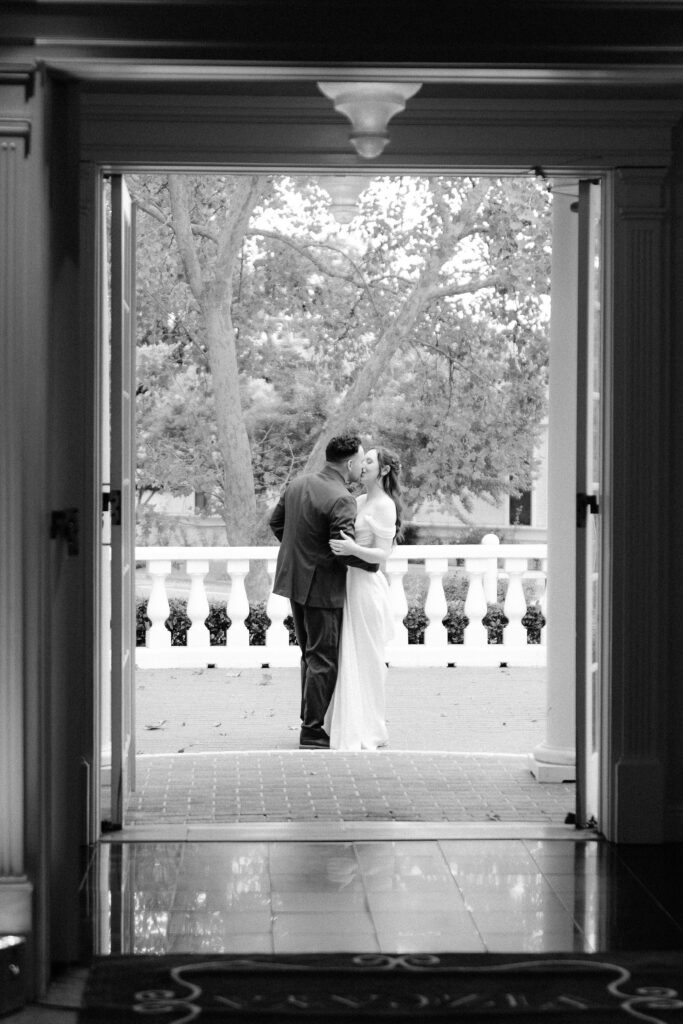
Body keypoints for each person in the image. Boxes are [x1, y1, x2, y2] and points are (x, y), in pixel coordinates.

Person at [269, 434, 380, 749]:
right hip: (322, 586)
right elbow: (342, 549)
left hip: (294, 580)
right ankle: (312, 730)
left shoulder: (297, 484)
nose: (362, 467)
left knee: (309, 654)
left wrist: (303, 551)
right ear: (349, 463)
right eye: (360, 461)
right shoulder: (342, 498)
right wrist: (373, 564)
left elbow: (276, 523)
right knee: (323, 658)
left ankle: (309, 719)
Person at [324, 447, 402, 751]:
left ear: (384, 470)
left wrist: (353, 550)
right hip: (347, 584)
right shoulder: (357, 501)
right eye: (363, 460)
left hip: (366, 587)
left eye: (369, 461)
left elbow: (383, 554)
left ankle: (369, 727)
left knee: (367, 658)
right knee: (347, 654)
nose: (363, 465)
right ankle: (345, 721)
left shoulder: (385, 505)